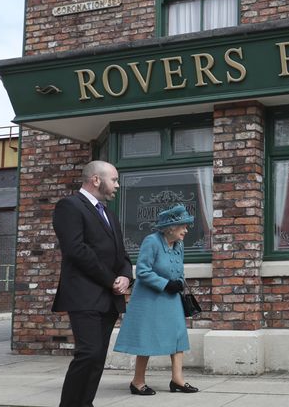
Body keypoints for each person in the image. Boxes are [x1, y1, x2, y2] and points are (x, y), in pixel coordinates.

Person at [52, 160, 133, 407]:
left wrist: (126, 275)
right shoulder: (70, 206)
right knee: (87, 354)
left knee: (97, 357)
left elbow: (122, 253)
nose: (117, 185)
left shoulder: (107, 212)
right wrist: (110, 280)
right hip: (84, 294)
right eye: (114, 179)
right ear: (96, 179)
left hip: (109, 298)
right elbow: (76, 250)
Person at [114, 204, 199, 395]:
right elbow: (142, 271)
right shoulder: (152, 241)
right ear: (171, 228)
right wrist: (165, 283)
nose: (186, 230)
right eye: (183, 226)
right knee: (147, 339)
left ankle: (177, 380)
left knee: (178, 337)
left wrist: (177, 283)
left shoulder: (179, 244)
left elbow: (178, 269)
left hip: (172, 298)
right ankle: (137, 382)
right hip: (150, 299)